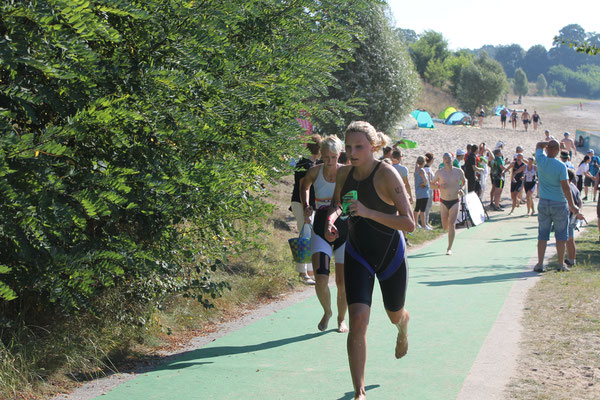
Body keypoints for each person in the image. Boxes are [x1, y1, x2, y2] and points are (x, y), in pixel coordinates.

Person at [325, 121, 414, 400]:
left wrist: (366, 211)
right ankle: (359, 391)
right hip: (357, 253)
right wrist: (331, 219)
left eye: (358, 147)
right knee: (358, 319)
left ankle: (403, 325)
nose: (351, 152)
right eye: (348, 147)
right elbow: (339, 204)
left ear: (373, 147)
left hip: (390, 255)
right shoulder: (343, 174)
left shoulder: (387, 175)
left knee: (393, 314)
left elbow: (409, 223)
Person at [300, 136, 348, 333]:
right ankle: (327, 311)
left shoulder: (346, 172)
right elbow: (304, 185)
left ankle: (341, 319)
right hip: (320, 226)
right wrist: (306, 206)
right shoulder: (315, 171)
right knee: (321, 279)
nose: (330, 162)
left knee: (341, 282)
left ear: (339, 155)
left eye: (334, 157)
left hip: (344, 226)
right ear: (321, 155)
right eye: (326, 157)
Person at [533, 140, 583, 272]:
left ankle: (539, 264)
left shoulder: (540, 159)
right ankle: (560, 264)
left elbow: (539, 145)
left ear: (547, 149)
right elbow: (566, 188)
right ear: (557, 151)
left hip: (544, 201)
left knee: (542, 235)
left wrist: (547, 143)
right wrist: (572, 205)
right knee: (561, 236)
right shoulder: (561, 166)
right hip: (559, 203)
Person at [290, 134, 322, 284]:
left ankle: (309, 271)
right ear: (319, 149)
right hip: (303, 204)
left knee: (309, 236)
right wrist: (306, 208)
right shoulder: (306, 164)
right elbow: (304, 187)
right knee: (304, 237)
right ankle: (302, 273)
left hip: (306, 205)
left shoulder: (310, 163)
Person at [430, 152, 466, 255]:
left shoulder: (458, 171)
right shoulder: (439, 173)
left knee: (451, 224)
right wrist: (438, 187)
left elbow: (464, 182)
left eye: (449, 158)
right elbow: (431, 185)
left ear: (452, 159)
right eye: (445, 158)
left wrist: (461, 189)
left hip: (455, 201)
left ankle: (449, 248)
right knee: (445, 225)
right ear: (443, 160)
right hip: (443, 201)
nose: (447, 159)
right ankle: (448, 237)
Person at [565, 170, 582, 267]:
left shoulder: (567, 188)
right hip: (574, 216)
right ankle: (571, 259)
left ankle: (571, 260)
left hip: (568, 215)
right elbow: (580, 202)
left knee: (569, 239)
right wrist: (578, 211)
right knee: (570, 239)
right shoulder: (575, 187)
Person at [413, 156, 431, 229]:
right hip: (424, 192)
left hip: (418, 192)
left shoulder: (416, 169)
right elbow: (425, 180)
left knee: (417, 208)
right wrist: (424, 184)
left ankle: (416, 223)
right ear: (424, 162)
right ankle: (424, 225)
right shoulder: (422, 170)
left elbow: (416, 164)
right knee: (423, 209)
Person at [423, 153, 435, 229]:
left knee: (427, 206)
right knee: (427, 206)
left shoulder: (426, 168)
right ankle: (425, 222)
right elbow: (429, 181)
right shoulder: (427, 169)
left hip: (428, 189)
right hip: (428, 190)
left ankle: (426, 222)